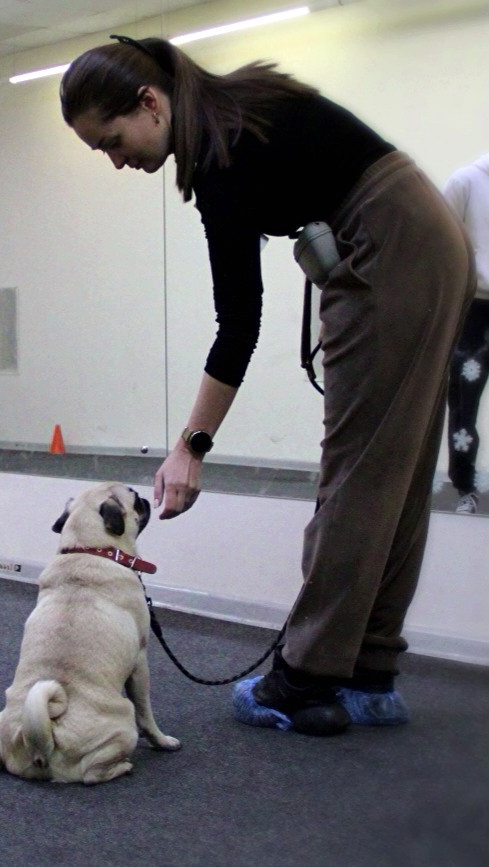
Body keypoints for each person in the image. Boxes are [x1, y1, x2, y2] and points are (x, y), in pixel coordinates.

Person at [60, 36, 475, 736]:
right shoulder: (242, 105)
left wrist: (189, 446)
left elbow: (237, 327)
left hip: (388, 246)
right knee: (395, 472)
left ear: (149, 103)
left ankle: (305, 677)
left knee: (355, 474)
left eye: (111, 139)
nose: (116, 160)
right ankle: (370, 675)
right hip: (428, 235)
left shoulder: (220, 159)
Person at [443, 154, 489, 516]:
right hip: (473, 309)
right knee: (464, 403)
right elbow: (439, 242)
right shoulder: (466, 181)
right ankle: (465, 486)